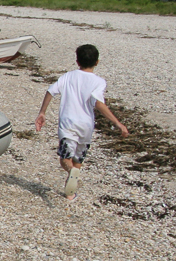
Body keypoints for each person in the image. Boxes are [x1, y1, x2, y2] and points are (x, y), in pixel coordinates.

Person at [34, 44, 129, 202]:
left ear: (77, 61)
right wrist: (118, 123)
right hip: (86, 126)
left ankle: (71, 173)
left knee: (65, 159)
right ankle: (70, 193)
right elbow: (98, 103)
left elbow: (51, 91)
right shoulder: (99, 82)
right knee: (78, 159)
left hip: (68, 124)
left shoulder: (68, 76)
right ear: (97, 62)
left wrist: (42, 112)